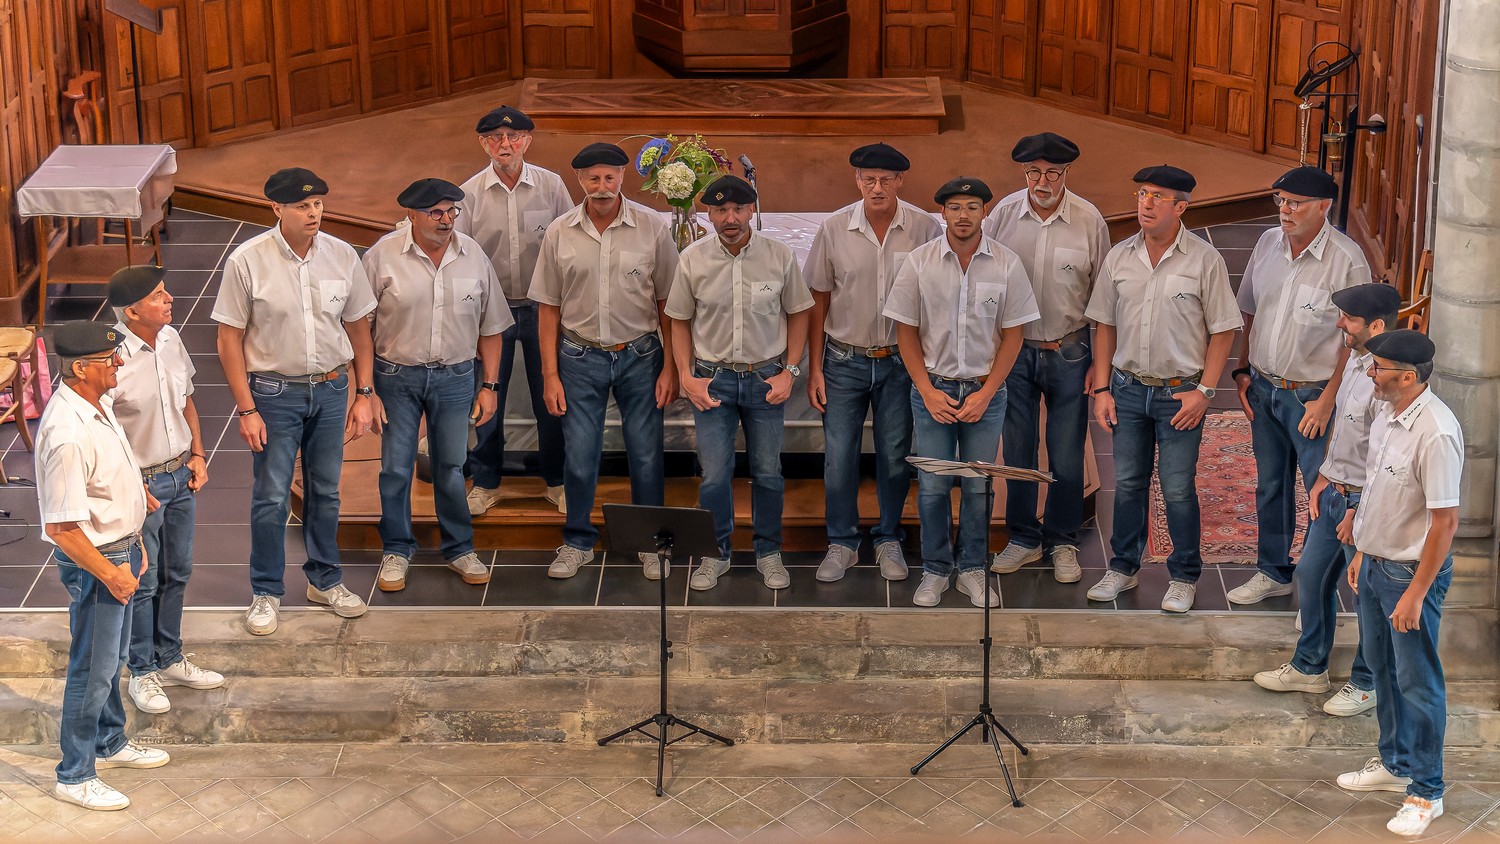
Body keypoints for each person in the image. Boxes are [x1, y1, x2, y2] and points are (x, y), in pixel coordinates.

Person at [213, 167, 378, 635]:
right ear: (277, 209)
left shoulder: (342, 255)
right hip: (273, 393)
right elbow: (228, 339)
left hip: (332, 388)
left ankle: (325, 581)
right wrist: (246, 409)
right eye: (303, 206)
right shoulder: (248, 260)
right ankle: (266, 592)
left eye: (318, 204)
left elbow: (359, 329)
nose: (313, 213)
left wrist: (364, 392)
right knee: (271, 496)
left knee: (326, 491)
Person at [1084, 165, 1241, 613]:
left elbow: (1224, 331)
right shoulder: (1119, 257)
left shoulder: (1204, 260)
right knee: (1128, 483)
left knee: (1177, 488)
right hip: (1128, 389)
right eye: (1142, 194)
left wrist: (1205, 392)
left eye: (1157, 196)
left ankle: (1184, 576)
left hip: (1180, 394)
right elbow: (1104, 325)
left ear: (1181, 207)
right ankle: (1123, 567)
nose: (1146, 204)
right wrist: (1103, 389)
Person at [883, 177, 1040, 608]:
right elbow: (905, 331)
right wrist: (926, 391)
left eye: (972, 206)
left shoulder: (1006, 263)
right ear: (943, 213)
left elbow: (1013, 335)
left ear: (985, 212)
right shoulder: (920, 263)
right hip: (933, 389)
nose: (963, 215)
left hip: (985, 393)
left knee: (977, 487)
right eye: (954, 207)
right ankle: (935, 569)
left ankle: (972, 568)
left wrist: (987, 393)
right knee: (933, 486)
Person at [529, 142, 680, 580]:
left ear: (622, 177)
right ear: (579, 180)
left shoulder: (651, 227)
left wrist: (670, 367)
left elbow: (669, 303)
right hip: (579, 357)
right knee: (579, 455)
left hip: (640, 355)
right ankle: (578, 541)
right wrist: (550, 374)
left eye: (610, 177)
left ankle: (651, 541)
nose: (602, 186)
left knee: (646, 454)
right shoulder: (560, 232)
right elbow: (548, 308)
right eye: (593, 178)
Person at [36, 321, 170, 811]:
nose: (118, 363)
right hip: (100, 562)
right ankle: (74, 775)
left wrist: (136, 503)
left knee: (110, 662)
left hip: (122, 548)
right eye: (108, 358)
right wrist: (112, 572)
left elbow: (106, 475)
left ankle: (109, 741)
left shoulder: (98, 403)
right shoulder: (66, 433)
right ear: (79, 368)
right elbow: (62, 527)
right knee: (92, 670)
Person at [1336, 329, 1462, 838]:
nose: (1370, 373)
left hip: (1410, 575)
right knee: (1383, 670)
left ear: (1407, 377)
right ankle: (1396, 763)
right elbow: (1379, 487)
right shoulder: (1388, 414)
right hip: (1375, 565)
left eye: (1379, 368)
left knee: (1418, 682)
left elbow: (1445, 524)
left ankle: (1427, 791)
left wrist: (1415, 594)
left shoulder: (1437, 432)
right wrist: (1362, 547)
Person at [1254, 283, 1399, 716]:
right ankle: (1309, 666)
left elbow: (1386, 457)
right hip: (1335, 491)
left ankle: (1367, 682)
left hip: (1362, 503)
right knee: (1310, 575)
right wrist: (1324, 475)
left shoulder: (1386, 380)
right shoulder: (1356, 359)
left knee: (1367, 595)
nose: (1339, 324)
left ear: (1376, 326)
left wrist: (1359, 510)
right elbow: (1342, 423)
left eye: (1349, 319)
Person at [1229, 167, 1370, 605]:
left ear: (1324, 206)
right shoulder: (1267, 244)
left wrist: (1328, 401)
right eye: (1281, 200)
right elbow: (1250, 310)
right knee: (1270, 485)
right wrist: (1242, 370)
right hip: (1264, 388)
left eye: (1295, 203)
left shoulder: (1347, 260)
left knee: (1320, 492)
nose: (1284, 210)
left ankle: (1315, 592)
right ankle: (1273, 573)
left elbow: (1355, 339)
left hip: (1313, 395)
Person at [363, 178, 512, 591]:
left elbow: (492, 326)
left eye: (452, 211)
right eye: (436, 212)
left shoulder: (473, 255)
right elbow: (359, 327)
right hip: (396, 377)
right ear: (412, 215)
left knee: (451, 467)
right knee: (396, 468)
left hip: (456, 377)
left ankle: (460, 548)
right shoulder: (382, 256)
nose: (446, 220)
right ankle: (396, 549)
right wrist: (366, 391)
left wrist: (490, 386)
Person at [666, 174, 814, 591]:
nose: (730, 218)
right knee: (715, 474)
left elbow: (800, 311)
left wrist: (791, 371)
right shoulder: (692, 259)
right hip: (712, 381)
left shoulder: (779, 255)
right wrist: (686, 377)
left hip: (765, 379)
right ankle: (716, 553)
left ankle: (768, 552)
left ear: (752, 210)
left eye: (738, 209)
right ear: (708, 214)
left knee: (768, 472)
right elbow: (679, 321)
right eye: (720, 210)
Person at [803, 143, 940, 584]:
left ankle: (888, 538)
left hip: (900, 362)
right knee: (839, 457)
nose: (876, 187)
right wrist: (815, 368)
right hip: (844, 360)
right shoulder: (834, 228)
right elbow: (818, 299)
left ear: (900, 180)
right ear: (857, 180)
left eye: (885, 179)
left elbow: (937, 296)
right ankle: (841, 542)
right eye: (868, 179)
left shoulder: (924, 228)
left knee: (895, 456)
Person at [983, 132, 1111, 584]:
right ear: (1024, 173)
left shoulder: (1089, 220)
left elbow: (1104, 299)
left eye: (1052, 173)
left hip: (1069, 349)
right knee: (1017, 447)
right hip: (1013, 351)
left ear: (1066, 173)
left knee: (1066, 451)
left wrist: (1100, 366)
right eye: (1033, 172)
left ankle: (1062, 540)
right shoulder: (1002, 215)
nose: (1042, 182)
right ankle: (1023, 538)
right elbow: (982, 276)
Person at [107, 266, 223, 714]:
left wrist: (199, 454)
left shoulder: (171, 339)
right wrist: (130, 483)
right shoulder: (113, 358)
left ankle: (170, 656)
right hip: (142, 484)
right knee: (144, 578)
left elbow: (186, 400)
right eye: (157, 295)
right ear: (132, 311)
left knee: (178, 571)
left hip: (180, 475)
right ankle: (142, 670)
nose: (169, 298)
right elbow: (105, 430)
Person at [456, 105, 573, 518]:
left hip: (543, 307)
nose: (505, 144)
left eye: (513, 137)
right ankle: (486, 482)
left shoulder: (551, 185)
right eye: (495, 138)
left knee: (551, 398)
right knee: (488, 398)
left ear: (527, 140)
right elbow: (463, 258)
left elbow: (568, 242)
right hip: (493, 311)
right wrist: (472, 319)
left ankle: (557, 480)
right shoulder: (469, 194)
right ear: (483, 143)